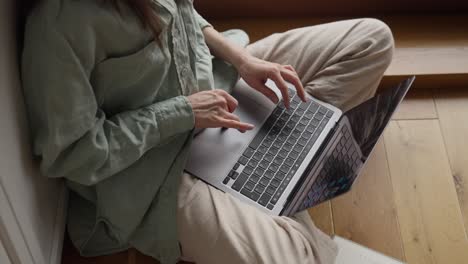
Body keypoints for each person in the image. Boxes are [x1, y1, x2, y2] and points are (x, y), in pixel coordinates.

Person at [21, 0, 394, 263]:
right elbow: (76, 153)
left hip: (219, 87)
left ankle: (272, 177)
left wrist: (241, 59)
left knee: (372, 39)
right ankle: (273, 193)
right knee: (297, 257)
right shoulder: (57, 25)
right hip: (155, 174)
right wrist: (183, 112)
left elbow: (183, 12)